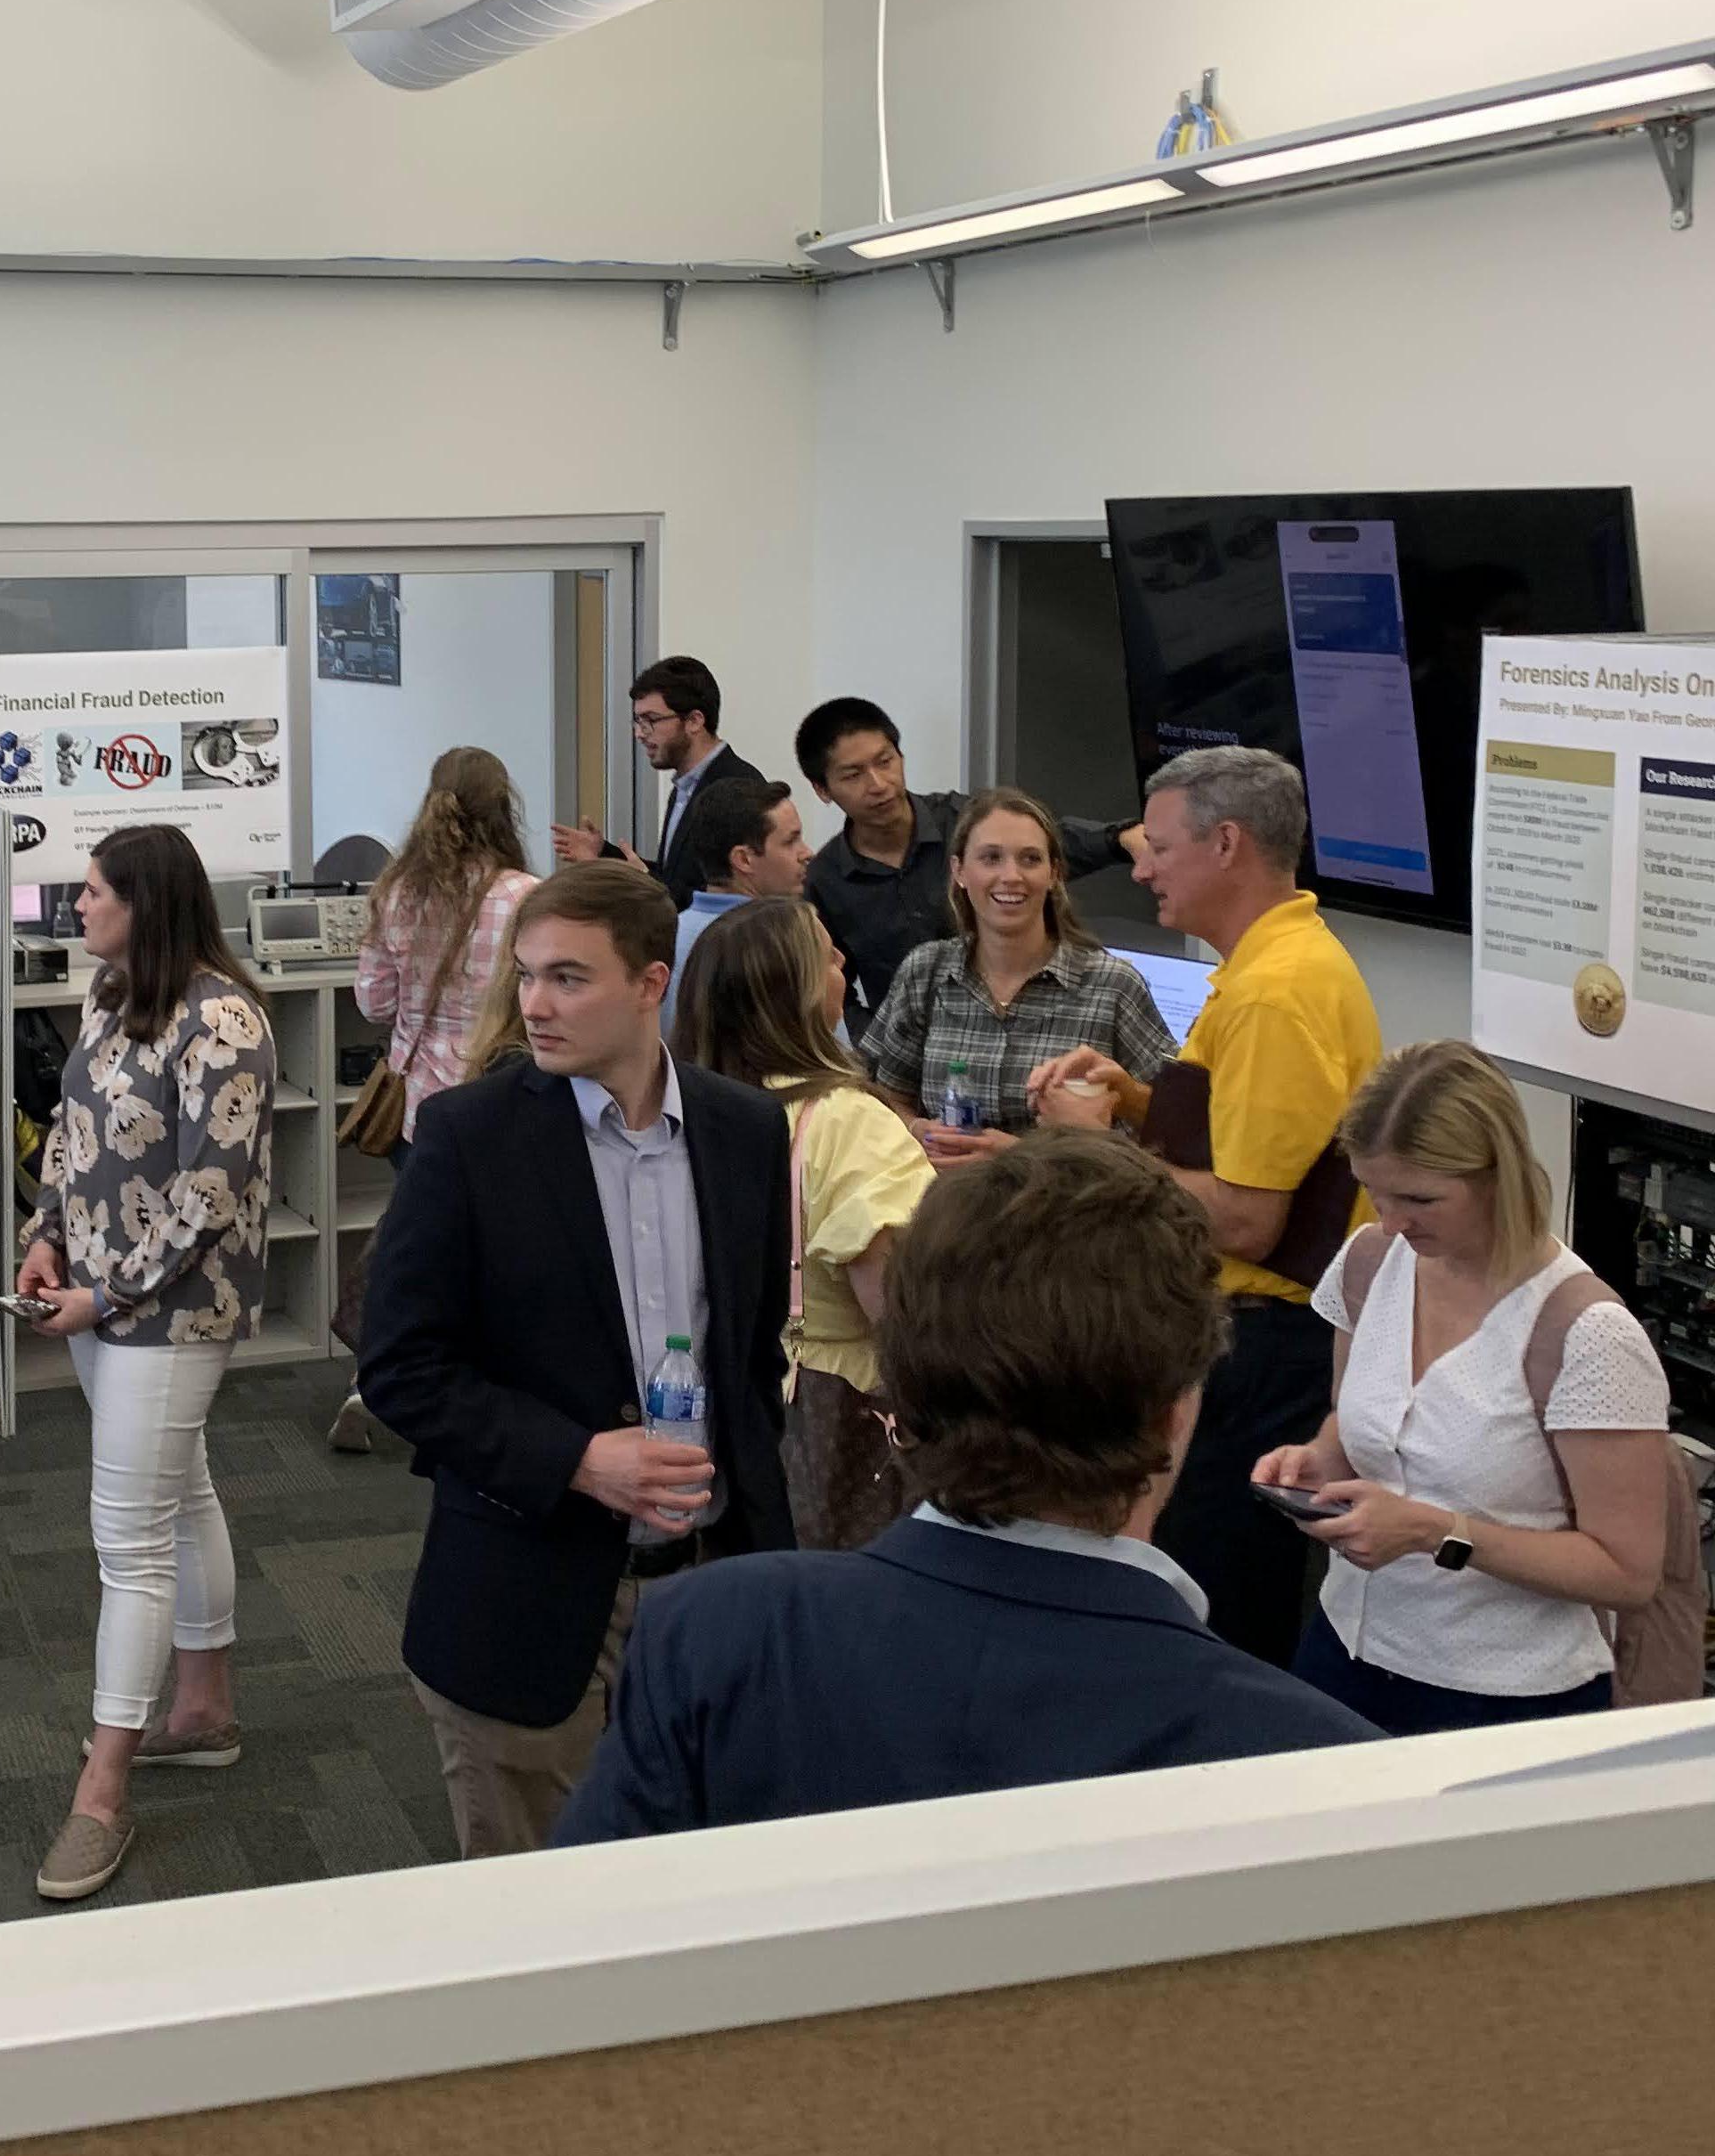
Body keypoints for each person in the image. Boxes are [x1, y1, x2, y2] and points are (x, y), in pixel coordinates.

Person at [550, 1134, 1381, 1845]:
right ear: (1174, 1414)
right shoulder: (1308, 1763)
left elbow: (586, 1976)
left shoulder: (709, 1636)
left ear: (903, 1389)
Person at [356, 862, 793, 1859]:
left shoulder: (744, 1130)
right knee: (534, 1916)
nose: (535, 1006)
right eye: (526, 976)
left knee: (704, 1884)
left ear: (650, 983)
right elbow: (402, 1369)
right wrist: (579, 1460)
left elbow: (751, 1357)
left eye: (568, 978)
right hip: (528, 1593)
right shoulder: (470, 1136)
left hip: (712, 1586)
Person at [1028, 745, 1384, 1666]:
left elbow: (1245, 1218)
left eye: (1158, 845)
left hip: (1261, 1349)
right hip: (1254, 1340)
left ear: (1226, 844)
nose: (1140, 865)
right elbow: (1243, 1137)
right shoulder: (1272, 963)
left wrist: (1092, 1145)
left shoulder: (1274, 991)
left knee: (1217, 1613)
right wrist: (1135, 1100)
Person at [1258, 1043, 1675, 1735]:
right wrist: (1316, 1462)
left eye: (1419, 1199)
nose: (1393, 1222)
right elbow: (1353, 1417)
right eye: (1376, 1193)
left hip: (1504, 1699)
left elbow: (1627, 1572)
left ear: (1498, 1178)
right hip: (1344, 1650)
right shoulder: (1369, 1263)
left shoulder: (1587, 1334)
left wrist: (1434, 1532)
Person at [17, 825, 276, 1904]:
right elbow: (75, 1139)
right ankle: (203, 1712)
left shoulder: (222, 1019)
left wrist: (106, 1292)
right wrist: (43, 1231)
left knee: (128, 1543)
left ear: (146, 902)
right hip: (93, 1295)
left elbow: (207, 1196)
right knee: (181, 1498)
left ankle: (103, 1793)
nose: (76, 909)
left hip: (170, 1312)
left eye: (91, 895)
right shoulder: (111, 991)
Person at [671, 898, 931, 1550]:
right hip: (829, 1425)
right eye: (828, 956)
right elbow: (901, 1315)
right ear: (798, 994)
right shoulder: (848, 1124)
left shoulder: (681, 1116)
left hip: (697, 1413)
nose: (844, 964)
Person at [334, 750, 541, 1452]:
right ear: (502, 805)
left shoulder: (397, 891)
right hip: (496, 1104)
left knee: (419, 1245)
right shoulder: (524, 897)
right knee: (491, 1258)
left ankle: (378, 1381)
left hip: (417, 1107)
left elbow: (373, 1002)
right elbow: (535, 1007)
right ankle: (468, 1394)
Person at [860, 786, 1174, 1171]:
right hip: (943, 1216)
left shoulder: (1111, 985)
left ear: (1054, 873)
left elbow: (1169, 1124)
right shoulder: (924, 973)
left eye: (1030, 859)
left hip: (1069, 1217)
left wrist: (1016, 1156)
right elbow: (883, 1093)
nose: (1011, 876)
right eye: (990, 858)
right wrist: (916, 1129)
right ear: (959, 871)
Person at [796, 698, 1142, 1035]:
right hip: (909, 1052)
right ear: (822, 789)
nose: (878, 784)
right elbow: (829, 979)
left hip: (1019, 1026)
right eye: (853, 775)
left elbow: (1050, 843)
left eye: (885, 761)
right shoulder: (825, 880)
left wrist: (1120, 838)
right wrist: (877, 1040)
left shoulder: (966, 823)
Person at [551, 655, 768, 911]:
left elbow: (730, 899)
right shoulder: (684, 788)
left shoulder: (738, 787)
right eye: (638, 721)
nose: (640, 733)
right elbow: (674, 880)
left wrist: (644, 881)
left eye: (651, 720)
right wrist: (603, 855)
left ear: (694, 721)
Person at [663, 777, 809, 1018]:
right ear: (744, 859)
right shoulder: (786, 945)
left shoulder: (666, 940)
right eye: (791, 841)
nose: (806, 853)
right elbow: (827, 1049)